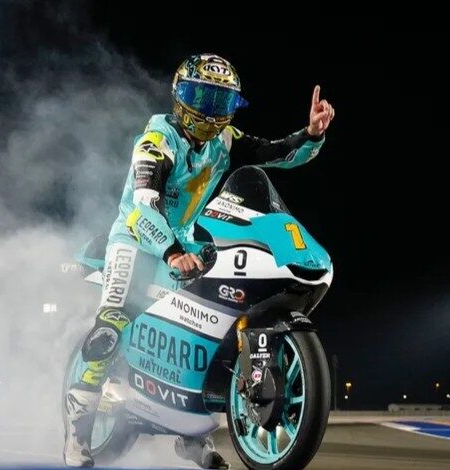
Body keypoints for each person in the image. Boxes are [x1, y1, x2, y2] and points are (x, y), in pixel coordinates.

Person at [63, 53, 335, 468]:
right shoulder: (156, 142)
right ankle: (77, 436)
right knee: (109, 328)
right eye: (201, 98)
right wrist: (172, 251)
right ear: (180, 96)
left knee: (202, 328)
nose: (210, 111)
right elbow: (143, 207)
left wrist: (311, 134)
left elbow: (277, 153)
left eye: (220, 101)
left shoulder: (224, 141)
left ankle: (190, 435)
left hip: (188, 243)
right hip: (137, 239)